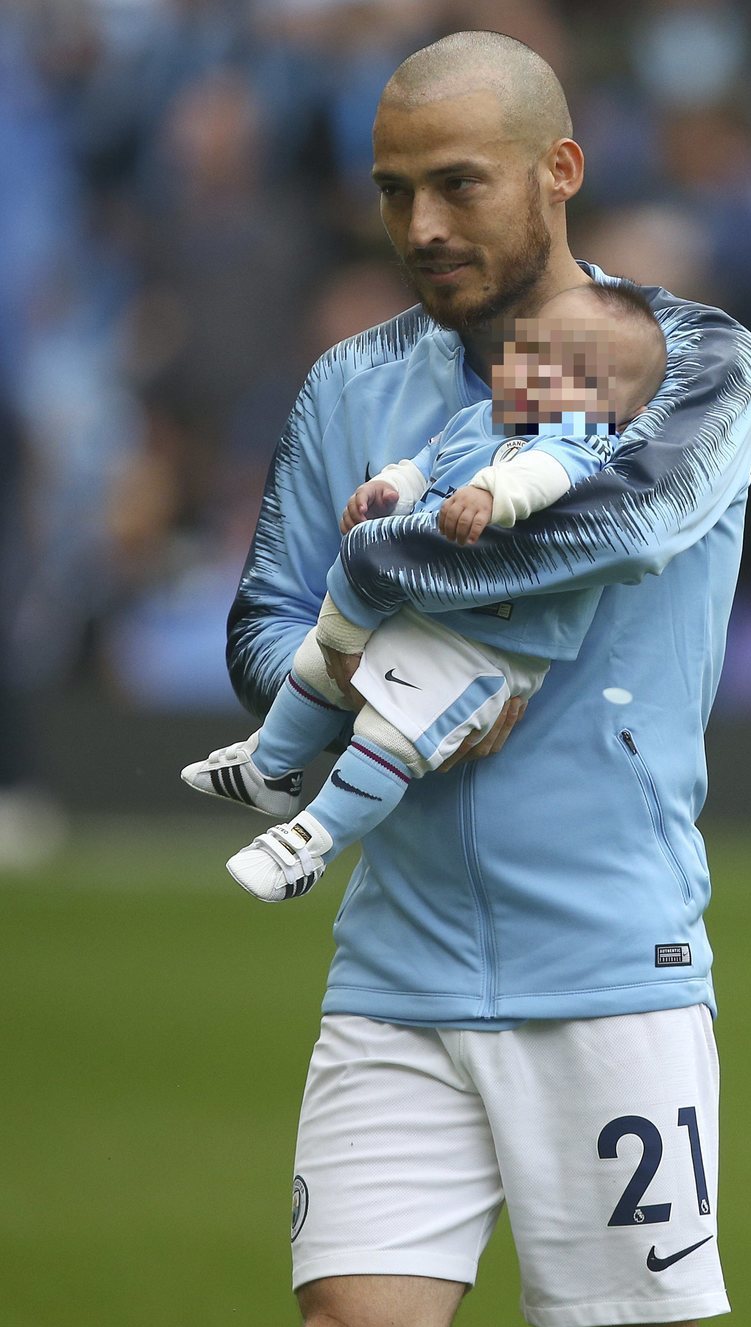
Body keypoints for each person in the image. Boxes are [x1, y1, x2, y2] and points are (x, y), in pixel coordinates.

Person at [226, 29, 751, 1327]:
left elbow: (606, 526)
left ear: (561, 170)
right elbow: (262, 631)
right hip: (395, 963)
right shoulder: (349, 385)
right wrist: (369, 679)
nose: (420, 223)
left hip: (608, 957)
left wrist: (379, 589)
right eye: (394, 189)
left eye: (459, 184)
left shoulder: (691, 360)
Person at [182, 281, 667, 901]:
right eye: (528, 349)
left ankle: (312, 841)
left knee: (396, 730)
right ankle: (269, 767)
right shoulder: (482, 419)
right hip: (423, 610)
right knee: (317, 663)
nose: (526, 368)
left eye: (557, 362)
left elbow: (545, 478)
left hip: (489, 641)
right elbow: (426, 461)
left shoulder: (582, 446)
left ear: (605, 402)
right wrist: (387, 488)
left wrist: (494, 495)